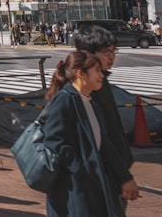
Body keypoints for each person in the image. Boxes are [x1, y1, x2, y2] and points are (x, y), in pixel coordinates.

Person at [43, 50, 139, 216]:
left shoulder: (90, 102)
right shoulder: (64, 100)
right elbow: (54, 141)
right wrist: (81, 169)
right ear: (81, 73)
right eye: (97, 71)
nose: (101, 75)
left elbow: (104, 144)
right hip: (74, 190)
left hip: (93, 186)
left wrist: (125, 178)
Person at [73, 25, 139, 212]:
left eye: (113, 51)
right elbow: (100, 137)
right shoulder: (86, 89)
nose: (111, 56)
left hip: (104, 172)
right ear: (89, 54)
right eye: (105, 52)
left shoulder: (99, 81)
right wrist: (124, 176)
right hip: (99, 175)